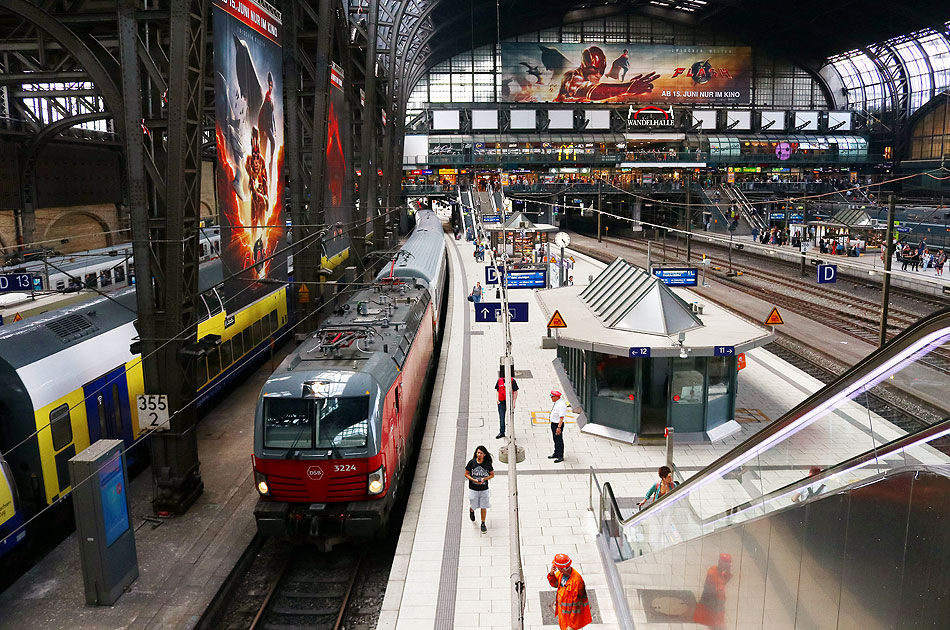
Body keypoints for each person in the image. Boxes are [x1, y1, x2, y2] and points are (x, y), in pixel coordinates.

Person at [546, 554, 592, 630]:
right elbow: (555, 584)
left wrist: (572, 625)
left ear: (562, 568)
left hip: (570, 617)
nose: (556, 568)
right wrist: (551, 574)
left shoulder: (577, 582)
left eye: (557, 567)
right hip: (563, 614)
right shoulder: (561, 574)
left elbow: (577, 607)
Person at [693, 554, 733, 630]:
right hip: (713, 606)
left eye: (727, 564)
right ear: (719, 562)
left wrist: (728, 570)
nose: (725, 566)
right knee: (716, 626)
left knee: (717, 626)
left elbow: (724, 581)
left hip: (718, 606)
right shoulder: (712, 571)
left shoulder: (720, 573)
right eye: (724, 563)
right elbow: (720, 585)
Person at [465, 445, 494, 533]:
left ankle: (483, 523)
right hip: (473, 488)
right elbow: (466, 473)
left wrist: (484, 479)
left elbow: (492, 475)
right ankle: (471, 510)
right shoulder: (472, 463)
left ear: (484, 454)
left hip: (484, 489)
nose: (479, 454)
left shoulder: (487, 464)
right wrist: (473, 479)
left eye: (481, 453)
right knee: (473, 503)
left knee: (483, 506)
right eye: (478, 453)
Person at [495, 367, 519, 439]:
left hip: (509, 402)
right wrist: (497, 399)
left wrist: (514, 402)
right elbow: (497, 390)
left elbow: (515, 392)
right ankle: (502, 432)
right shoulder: (499, 381)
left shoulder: (512, 381)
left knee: (510, 418)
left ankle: (511, 433)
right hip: (501, 402)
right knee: (502, 418)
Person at [548, 390, 567, 463]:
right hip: (554, 424)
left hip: (557, 424)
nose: (551, 398)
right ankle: (556, 452)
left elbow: (561, 417)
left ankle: (560, 456)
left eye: (552, 397)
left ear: (556, 397)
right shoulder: (557, 402)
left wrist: (559, 428)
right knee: (555, 439)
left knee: (559, 440)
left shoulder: (561, 405)